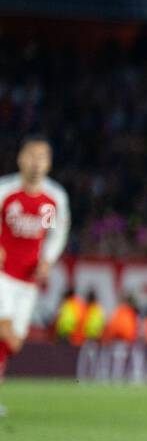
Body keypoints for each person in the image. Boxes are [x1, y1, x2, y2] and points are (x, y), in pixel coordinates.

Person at [0, 135, 71, 415]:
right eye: (31, 155)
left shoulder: (54, 198)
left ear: (49, 163)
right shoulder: (6, 191)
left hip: (28, 281)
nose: (36, 162)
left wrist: (48, 260)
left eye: (42, 157)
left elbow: (58, 232)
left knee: (13, 342)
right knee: (5, 331)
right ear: (20, 159)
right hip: (3, 275)